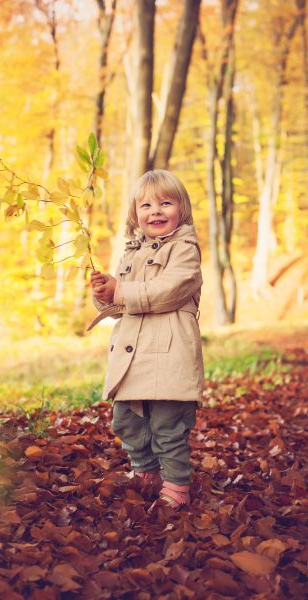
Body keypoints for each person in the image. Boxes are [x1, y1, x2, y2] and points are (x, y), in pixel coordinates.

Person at [87, 169, 204, 511]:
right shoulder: (132, 252)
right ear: (135, 213)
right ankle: (146, 472)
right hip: (133, 356)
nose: (155, 211)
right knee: (127, 420)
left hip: (169, 353)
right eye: (146, 205)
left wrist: (121, 290)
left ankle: (177, 486)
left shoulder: (185, 249)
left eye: (166, 203)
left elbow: (170, 291)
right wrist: (105, 291)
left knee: (168, 426)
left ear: (181, 209)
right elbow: (118, 306)